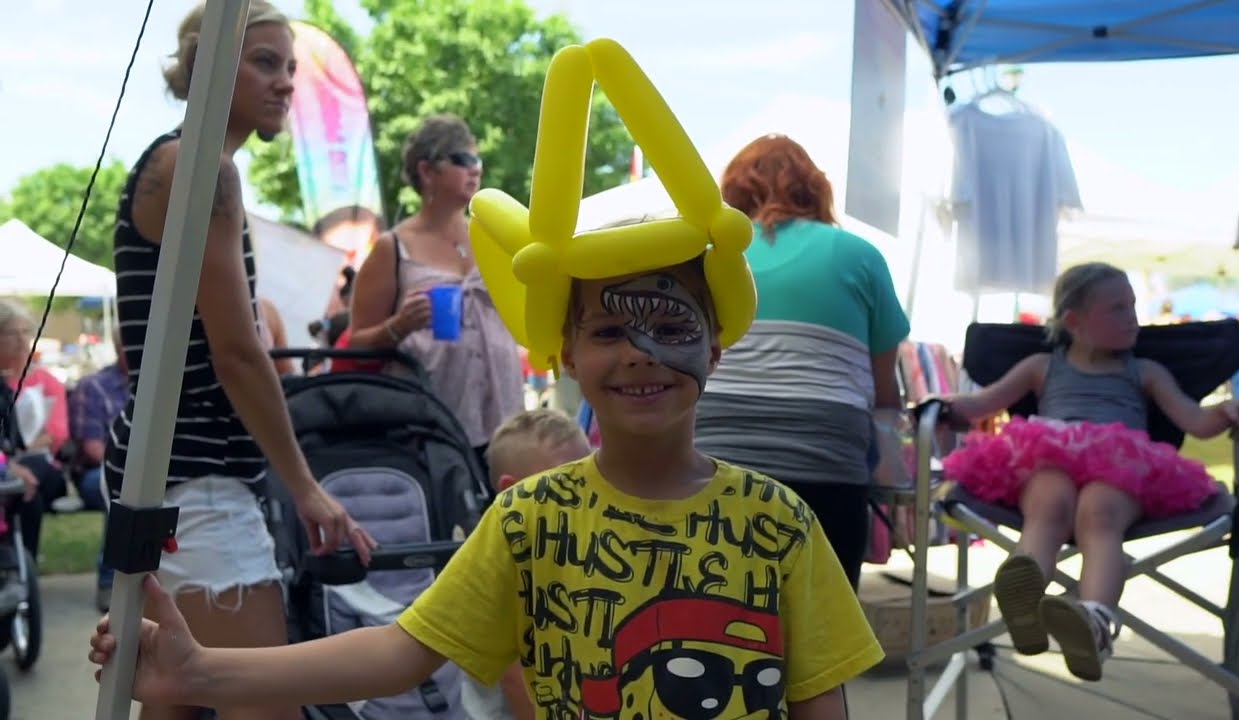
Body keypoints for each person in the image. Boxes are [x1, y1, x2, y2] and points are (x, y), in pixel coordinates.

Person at [89, 252, 883, 717]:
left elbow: (822, 704)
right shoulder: (529, 520)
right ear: (566, 353)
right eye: (610, 330)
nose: (642, 352)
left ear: (717, 348)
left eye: (673, 328)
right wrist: (199, 671)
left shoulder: (781, 523)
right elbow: (398, 651)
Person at [103, 3, 374, 719]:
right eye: (265, 61)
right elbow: (237, 353)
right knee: (266, 705)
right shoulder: (199, 167)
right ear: (209, 65)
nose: (286, 82)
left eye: (290, 66)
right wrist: (307, 487)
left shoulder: (173, 162)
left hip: (165, 470)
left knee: (176, 700)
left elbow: (152, 342)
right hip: (198, 481)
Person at [936, 261, 1239, 682]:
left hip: (1122, 465)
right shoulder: (1041, 366)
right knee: (1048, 504)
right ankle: (1025, 601)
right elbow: (981, 404)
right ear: (1074, 322)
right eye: (1118, 308)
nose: (1133, 318)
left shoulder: (1145, 371)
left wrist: (1227, 411)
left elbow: (1195, 421)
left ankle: (1093, 621)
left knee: (1098, 514)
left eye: (1133, 305)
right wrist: (944, 407)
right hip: (1050, 455)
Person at [695, 134, 911, 591]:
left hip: (710, 457)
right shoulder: (860, 256)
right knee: (822, 625)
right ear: (815, 189)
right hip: (826, 465)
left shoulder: (711, 258)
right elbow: (884, 392)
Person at [337, 114, 523, 476]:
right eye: (464, 160)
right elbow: (355, 343)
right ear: (427, 171)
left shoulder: (490, 237)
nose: (476, 169)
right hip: (429, 424)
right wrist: (399, 326)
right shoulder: (393, 248)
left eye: (478, 161)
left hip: (503, 415)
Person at [459, 408, 591, 720]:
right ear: (512, 491)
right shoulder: (505, 564)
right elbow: (516, 681)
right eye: (567, 484)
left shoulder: (571, 548)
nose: (587, 496)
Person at [0, 298, 69, 560]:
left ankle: (21, 563)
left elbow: (56, 435)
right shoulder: (5, 386)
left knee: (30, 484)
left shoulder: (43, 382)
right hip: (10, 466)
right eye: (12, 334)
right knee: (28, 493)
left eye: (25, 333)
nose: (22, 341)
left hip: (33, 463)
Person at [68, 326, 129, 611]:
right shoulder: (93, 386)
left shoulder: (159, 385)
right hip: (97, 472)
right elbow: (92, 448)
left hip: (145, 473)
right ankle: (108, 580)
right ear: (119, 349)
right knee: (119, 488)